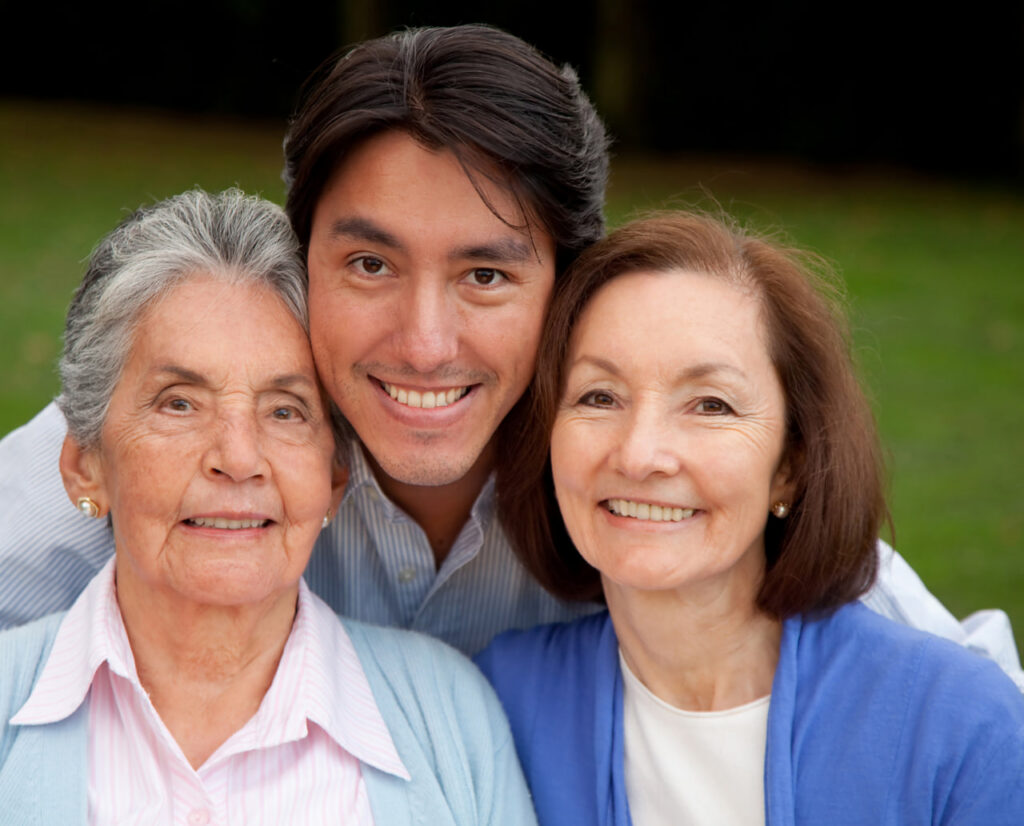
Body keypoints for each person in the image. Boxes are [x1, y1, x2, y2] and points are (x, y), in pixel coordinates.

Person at [0, 26, 1019, 666]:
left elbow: (967, 687)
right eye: (369, 266)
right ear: (300, 256)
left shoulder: (639, 466)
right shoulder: (181, 435)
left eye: (486, 275)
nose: (424, 341)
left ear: (568, 283)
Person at [0, 189, 537, 824]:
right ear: (83, 465)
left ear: (335, 479)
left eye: (285, 410)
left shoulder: (455, 715)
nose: (238, 456)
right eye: (179, 402)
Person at [476, 212, 1024, 825]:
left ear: (789, 465)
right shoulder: (496, 704)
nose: (639, 455)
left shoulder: (961, 727)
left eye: (711, 405)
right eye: (598, 396)